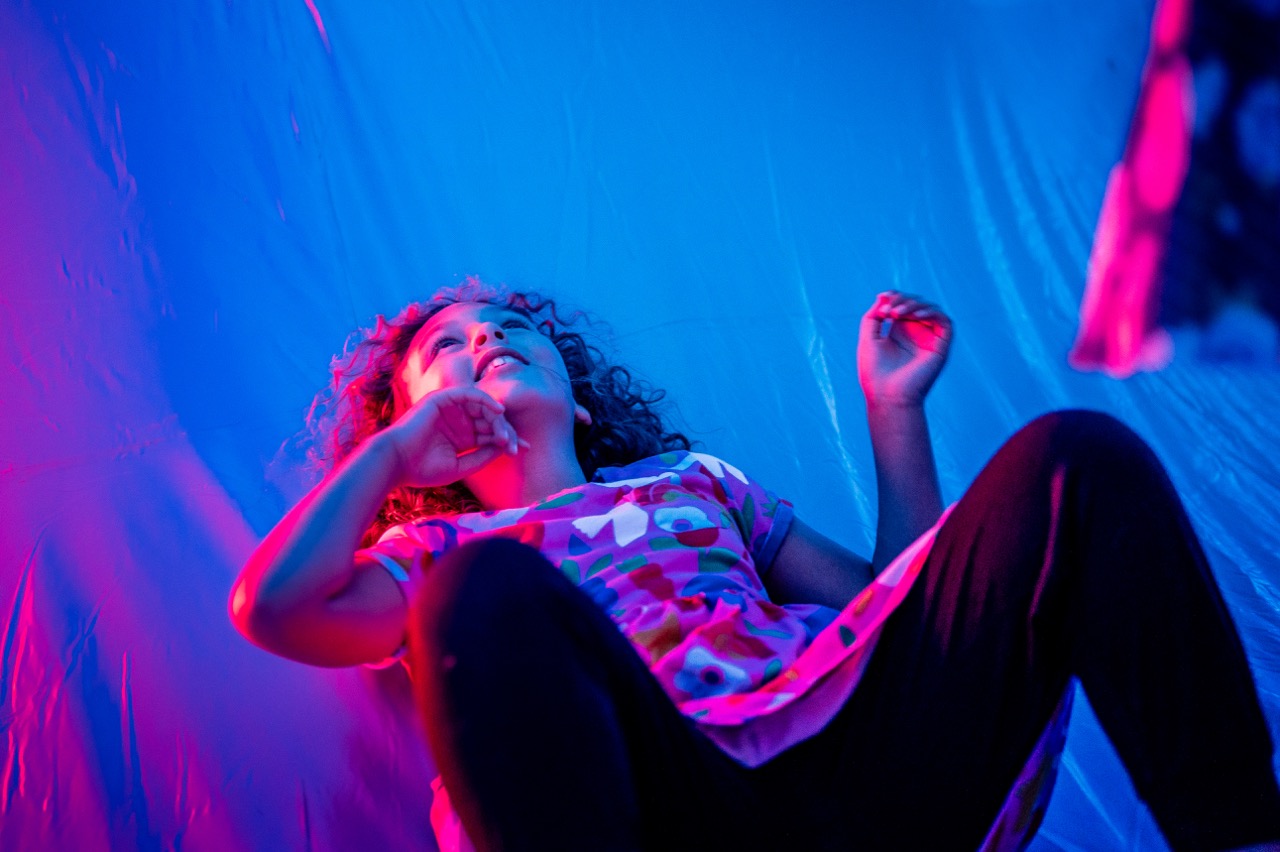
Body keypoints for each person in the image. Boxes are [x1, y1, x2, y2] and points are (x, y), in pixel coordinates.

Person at [230, 278, 1280, 851]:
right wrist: (387, 462)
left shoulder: (693, 484)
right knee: (484, 593)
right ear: (415, 426)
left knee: (1073, 456)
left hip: (862, 767)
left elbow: (894, 610)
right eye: (446, 351)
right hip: (669, 812)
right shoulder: (440, 554)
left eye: (507, 328)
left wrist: (891, 414)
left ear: (582, 398)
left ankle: (1235, 836)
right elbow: (272, 609)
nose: (487, 341)